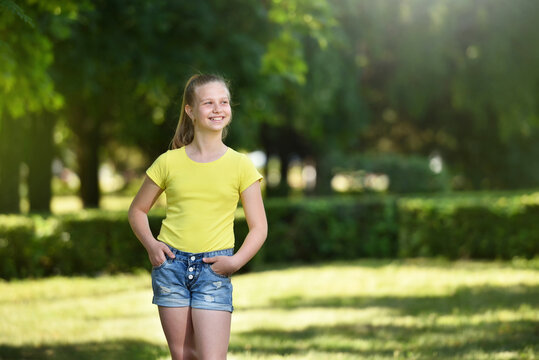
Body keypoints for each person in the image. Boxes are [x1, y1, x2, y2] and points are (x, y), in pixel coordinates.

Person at [128, 74, 267, 360]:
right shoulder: (168, 161)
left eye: (223, 102)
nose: (218, 109)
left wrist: (236, 261)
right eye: (208, 103)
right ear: (190, 110)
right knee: (183, 356)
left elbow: (259, 227)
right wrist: (152, 245)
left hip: (213, 270)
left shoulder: (241, 165)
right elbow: (137, 210)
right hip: (171, 268)